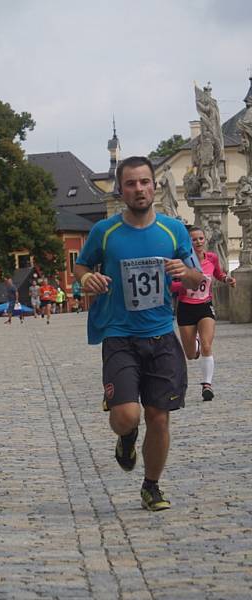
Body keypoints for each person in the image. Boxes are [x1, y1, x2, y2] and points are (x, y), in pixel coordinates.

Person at [74, 155, 202, 512]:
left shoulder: (173, 230)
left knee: (159, 417)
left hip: (161, 334)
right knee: (127, 416)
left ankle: (152, 486)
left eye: (145, 182)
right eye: (131, 183)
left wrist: (184, 271)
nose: (139, 189)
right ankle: (126, 436)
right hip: (120, 335)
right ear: (121, 189)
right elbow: (82, 264)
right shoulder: (105, 232)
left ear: (155, 186)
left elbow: (196, 277)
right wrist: (87, 278)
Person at [172, 225, 236, 401]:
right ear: (188, 242)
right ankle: (197, 345)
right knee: (191, 354)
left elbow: (218, 273)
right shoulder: (182, 262)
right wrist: (185, 284)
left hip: (205, 306)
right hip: (186, 307)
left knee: (208, 345)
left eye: (201, 238)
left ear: (205, 240)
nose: (198, 242)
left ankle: (207, 385)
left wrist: (226, 279)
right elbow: (171, 285)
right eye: (194, 239)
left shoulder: (212, 258)